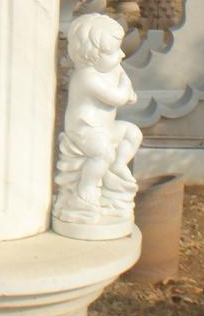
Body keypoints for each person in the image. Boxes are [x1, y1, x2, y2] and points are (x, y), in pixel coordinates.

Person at [54, 13, 141, 216]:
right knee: (103, 153)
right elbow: (118, 97)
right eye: (113, 52)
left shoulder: (107, 70)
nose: (121, 55)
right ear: (90, 56)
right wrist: (126, 88)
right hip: (85, 130)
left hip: (104, 129)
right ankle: (87, 185)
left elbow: (124, 91)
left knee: (133, 133)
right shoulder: (87, 77)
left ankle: (118, 166)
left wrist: (125, 88)